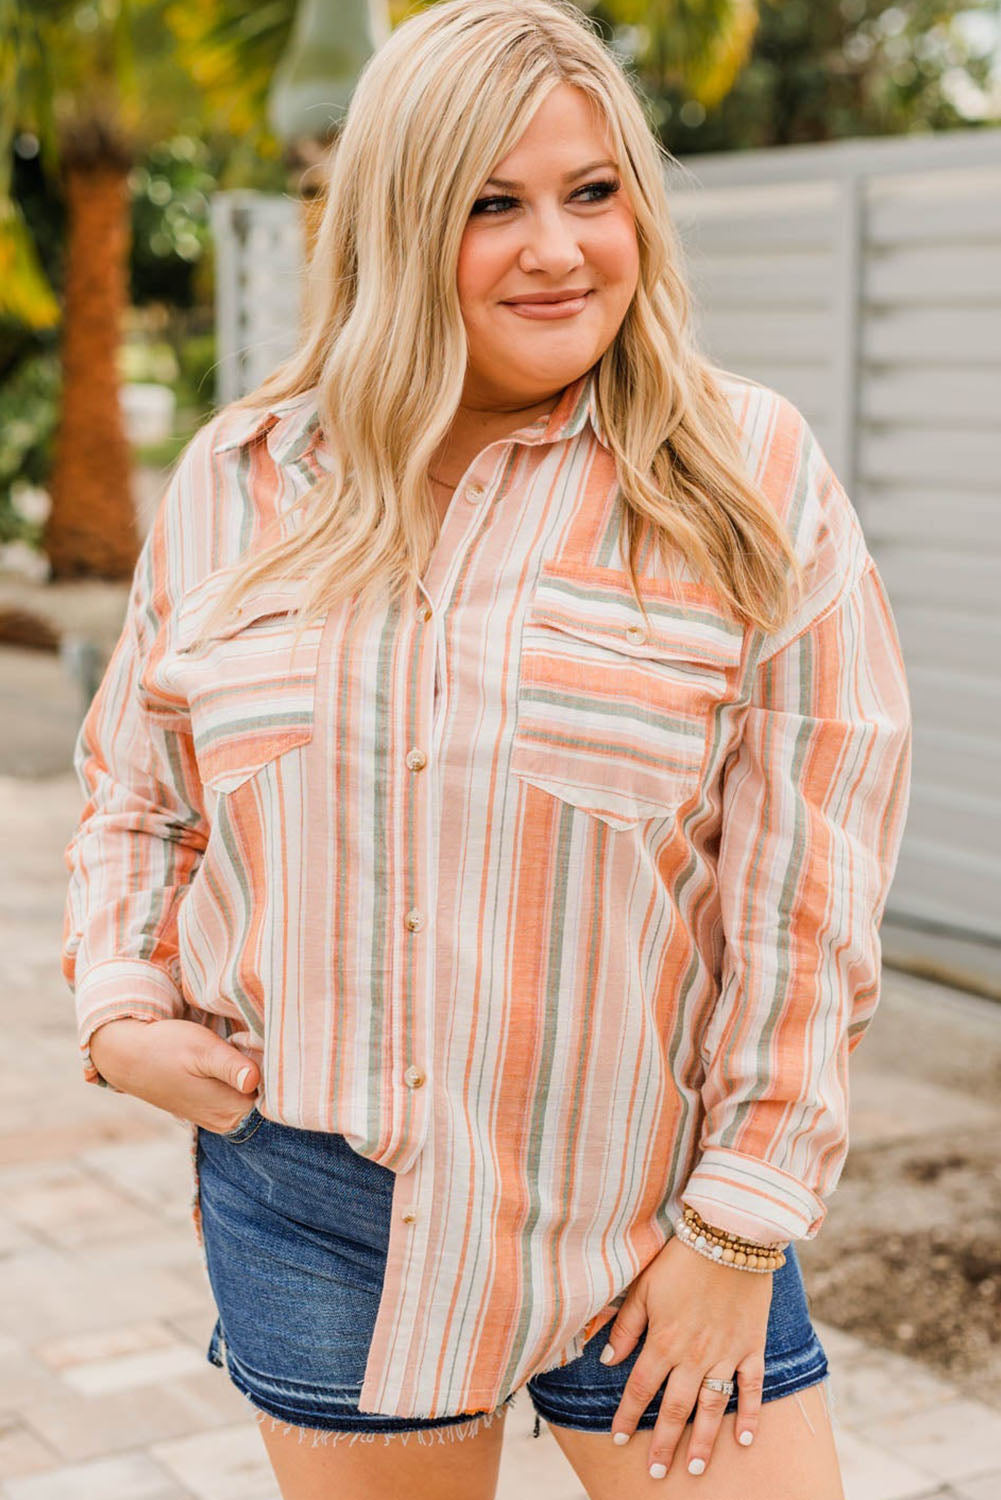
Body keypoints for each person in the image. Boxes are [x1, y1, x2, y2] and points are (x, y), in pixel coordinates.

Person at [61, 2, 912, 1497]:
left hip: (652, 1207)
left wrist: (735, 1226)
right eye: (491, 205)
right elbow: (140, 794)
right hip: (315, 1203)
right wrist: (122, 1007)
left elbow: (808, 883)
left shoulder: (747, 473)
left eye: (593, 195)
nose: (557, 250)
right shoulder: (241, 479)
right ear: (394, 225)